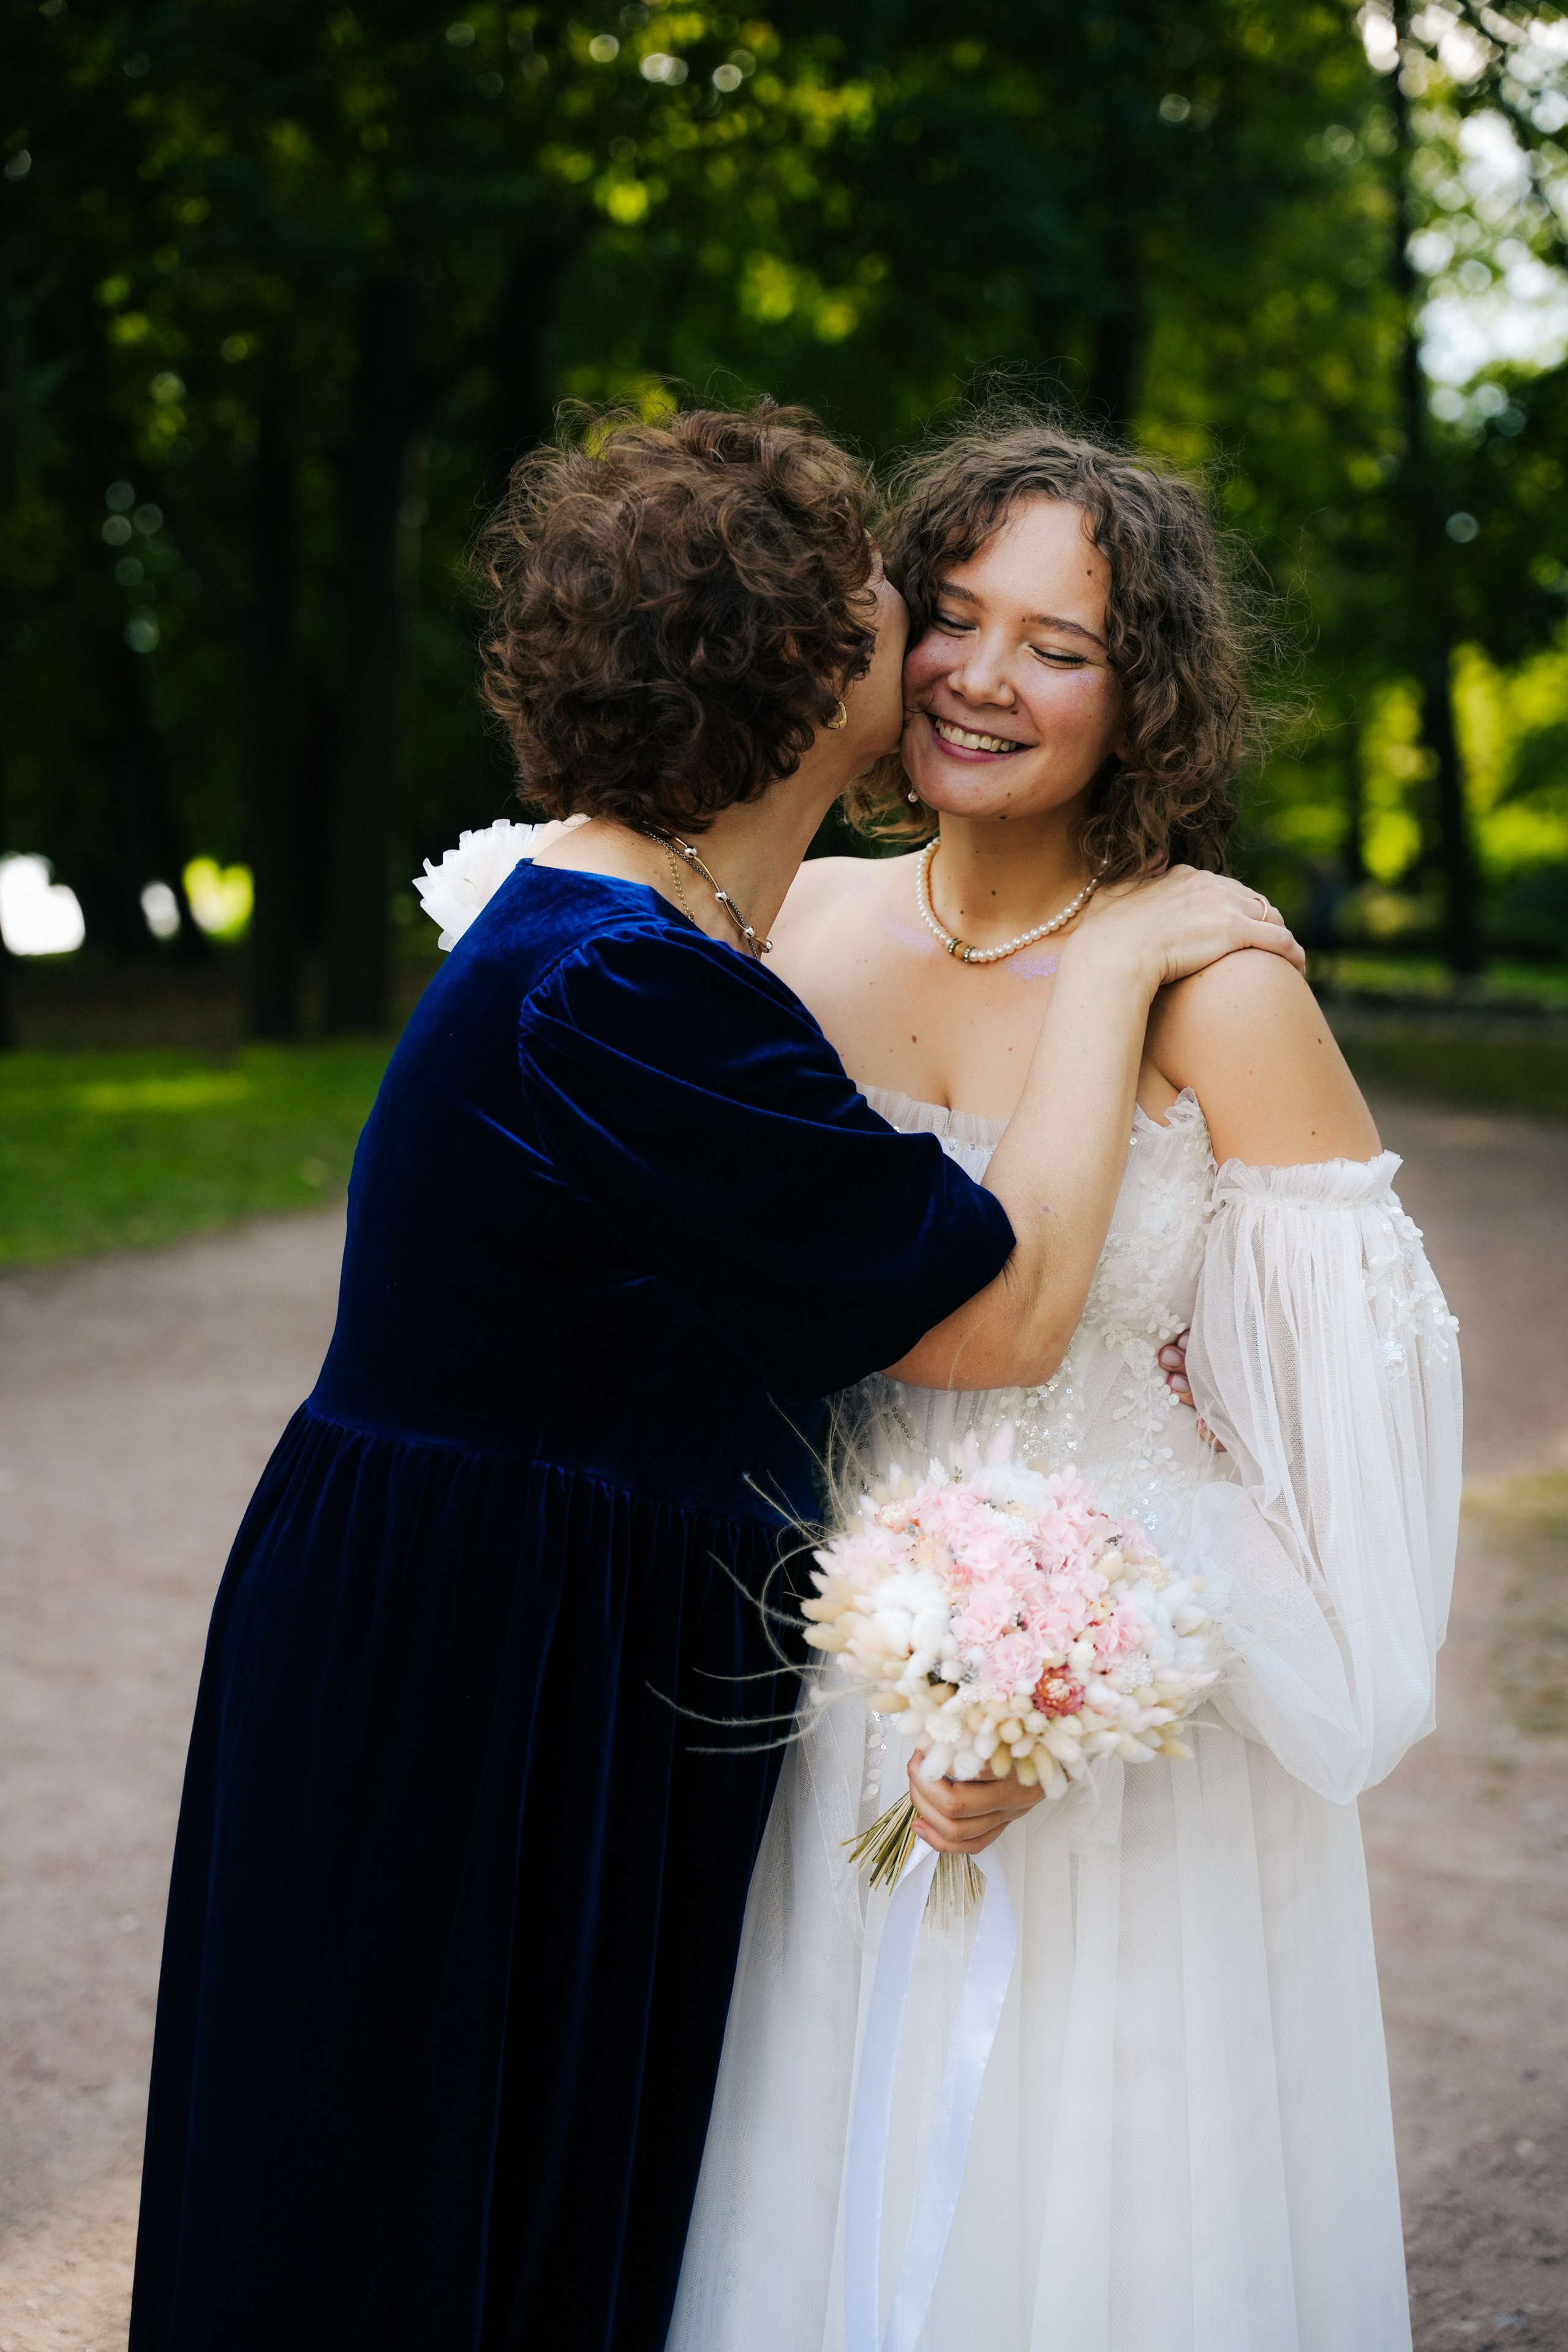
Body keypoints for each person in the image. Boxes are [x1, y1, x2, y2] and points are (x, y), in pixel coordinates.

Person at [127, 402, 1298, 2352]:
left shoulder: (643, 936)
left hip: (501, 1616)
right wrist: (1108, 977)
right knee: (415, 2196)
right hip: (479, 1665)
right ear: (795, 670)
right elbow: (989, 1318)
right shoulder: (623, 986)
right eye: (892, 602)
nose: (924, 640)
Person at [669, 416, 1461, 2352]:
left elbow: (1346, 1465)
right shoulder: (800, 929)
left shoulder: (1223, 987)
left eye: (1060, 646)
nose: (983, 680)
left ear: (1147, 692)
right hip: (811, 1685)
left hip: (1118, 1742)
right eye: (952, 620)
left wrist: (1073, 1667)